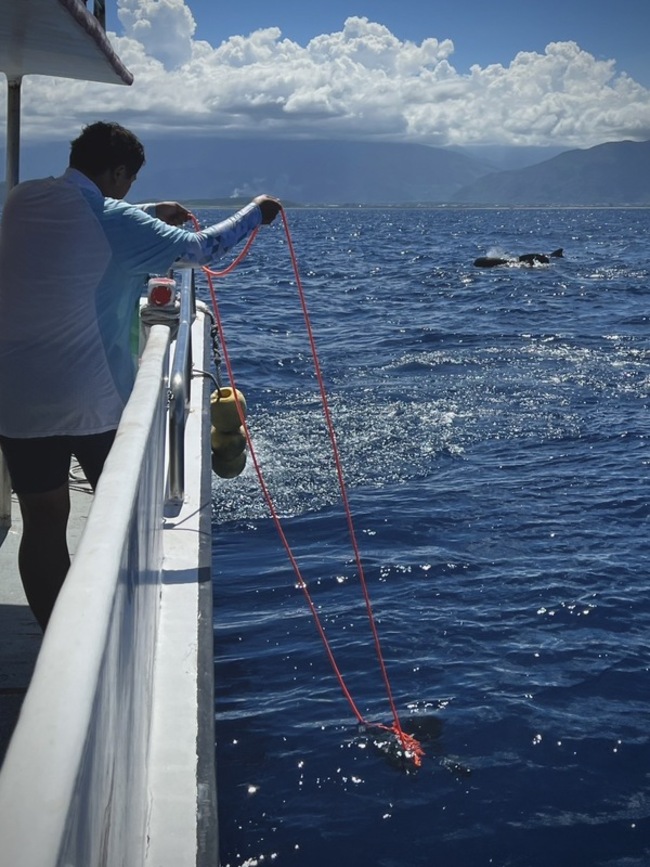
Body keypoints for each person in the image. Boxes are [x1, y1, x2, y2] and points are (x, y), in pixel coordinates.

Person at [0, 120, 282, 630]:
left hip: (17, 395)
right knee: (126, 516)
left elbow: (92, 218)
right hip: (90, 398)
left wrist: (148, 212)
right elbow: (201, 250)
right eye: (127, 181)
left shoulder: (23, 199)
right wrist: (255, 212)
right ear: (118, 171)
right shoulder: (116, 221)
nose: (128, 190)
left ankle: (56, 635)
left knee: (42, 525)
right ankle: (114, 627)